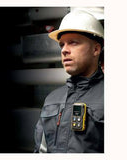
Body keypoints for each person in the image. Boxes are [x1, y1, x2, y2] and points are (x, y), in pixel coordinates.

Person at [34, 9, 104, 153]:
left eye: (73, 43)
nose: (64, 50)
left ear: (96, 49)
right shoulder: (52, 99)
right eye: (62, 45)